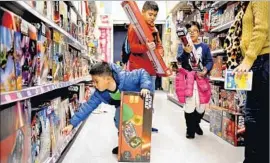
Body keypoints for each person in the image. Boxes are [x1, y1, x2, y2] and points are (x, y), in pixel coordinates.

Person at [62, 61, 153, 155]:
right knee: (119, 121)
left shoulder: (126, 78)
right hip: (122, 104)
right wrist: (72, 124)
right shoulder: (99, 93)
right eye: (93, 81)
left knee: (140, 122)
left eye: (96, 81)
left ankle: (142, 145)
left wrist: (145, 87)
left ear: (108, 79)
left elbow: (142, 72)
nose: (94, 84)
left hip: (139, 100)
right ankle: (124, 144)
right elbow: (87, 107)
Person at [231, 2, 269, 163]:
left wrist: (248, 59)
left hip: (262, 61)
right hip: (258, 62)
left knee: (256, 119)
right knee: (257, 119)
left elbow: (261, 29)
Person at [127, 1, 164, 132]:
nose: (152, 17)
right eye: (150, 14)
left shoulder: (154, 29)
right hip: (137, 70)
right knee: (136, 100)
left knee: (149, 100)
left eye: (155, 15)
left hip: (151, 70)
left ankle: (146, 125)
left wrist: (160, 52)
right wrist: (146, 47)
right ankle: (135, 128)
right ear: (142, 12)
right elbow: (133, 47)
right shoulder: (134, 26)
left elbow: (159, 44)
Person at [176, 21, 213, 139]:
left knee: (201, 106)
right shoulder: (182, 46)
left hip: (202, 80)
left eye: (194, 31)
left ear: (199, 32)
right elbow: (180, 61)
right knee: (189, 105)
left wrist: (206, 70)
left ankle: (196, 123)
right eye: (189, 31)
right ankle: (190, 129)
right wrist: (186, 53)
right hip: (189, 80)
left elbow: (209, 61)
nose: (192, 33)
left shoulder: (205, 47)